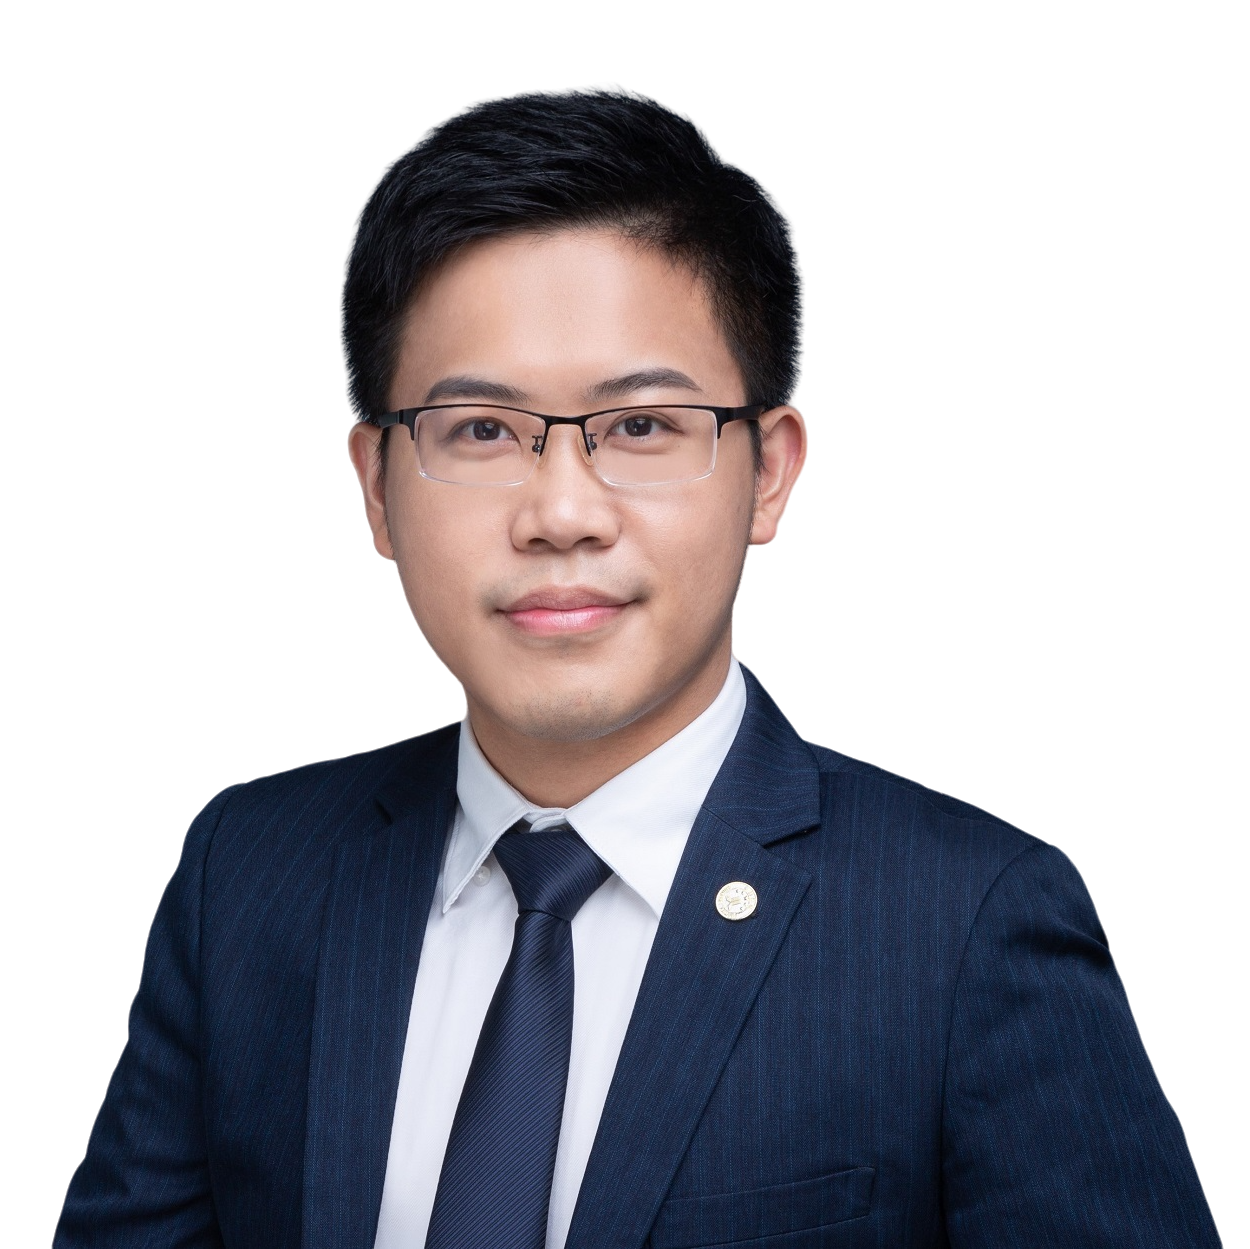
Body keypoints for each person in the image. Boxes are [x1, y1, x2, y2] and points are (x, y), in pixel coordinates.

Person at [58, 85, 1219, 1248]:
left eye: (641, 427)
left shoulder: (965, 923)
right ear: (374, 487)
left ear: (769, 473)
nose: (561, 514)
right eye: (481, 431)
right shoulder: (247, 874)